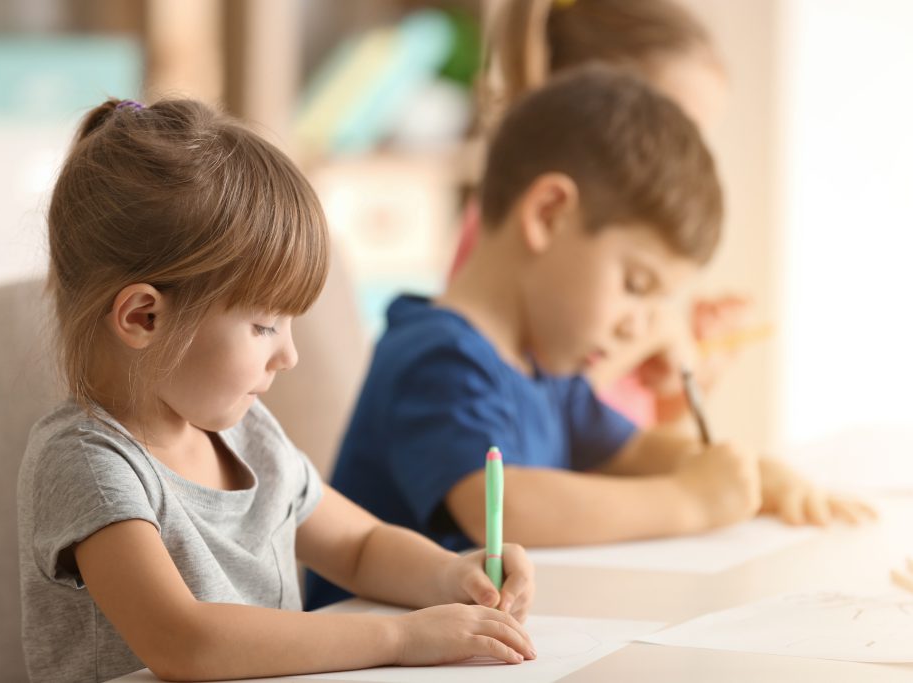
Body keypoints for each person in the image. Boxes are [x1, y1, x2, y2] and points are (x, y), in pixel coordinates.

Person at [304, 66, 875, 609]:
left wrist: (749, 471)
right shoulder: (437, 357)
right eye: (637, 283)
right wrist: (691, 501)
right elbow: (501, 506)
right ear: (549, 214)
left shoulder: (545, 370)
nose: (640, 324)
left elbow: (636, 451)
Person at [16, 97, 536, 683]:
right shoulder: (88, 462)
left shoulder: (246, 432)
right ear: (143, 317)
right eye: (264, 325)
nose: (288, 355)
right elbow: (184, 642)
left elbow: (360, 546)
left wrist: (451, 575)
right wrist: (401, 636)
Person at [452, 0, 744, 431]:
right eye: (671, 126)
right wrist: (654, 336)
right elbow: (540, 422)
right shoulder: (510, 241)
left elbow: (618, 429)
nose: (690, 159)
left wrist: (690, 376)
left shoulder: (601, 266)